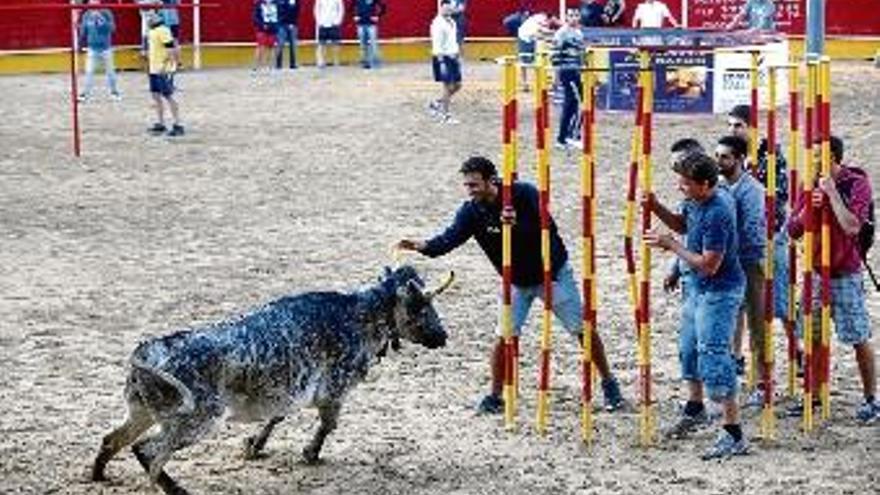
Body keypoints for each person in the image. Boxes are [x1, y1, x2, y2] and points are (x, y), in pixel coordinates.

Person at [396, 156, 625, 415]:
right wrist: (420, 246)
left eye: (474, 185)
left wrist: (517, 225)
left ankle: (609, 383)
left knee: (581, 329)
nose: (470, 191)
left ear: (491, 180)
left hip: (552, 274)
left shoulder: (524, 193)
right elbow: (448, 240)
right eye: (467, 186)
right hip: (515, 281)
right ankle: (495, 396)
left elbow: (547, 228)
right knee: (503, 337)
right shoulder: (471, 211)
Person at [644, 152, 748, 459]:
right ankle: (695, 406)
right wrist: (656, 207)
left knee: (714, 354)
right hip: (696, 287)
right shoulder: (696, 200)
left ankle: (733, 431)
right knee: (688, 350)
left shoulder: (719, 211)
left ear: (704, 184)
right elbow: (683, 224)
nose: (680, 187)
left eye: (685, 183)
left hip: (719, 290)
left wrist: (671, 245)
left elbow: (709, 265)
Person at [787, 136, 878, 423]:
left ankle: (871, 399)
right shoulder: (808, 184)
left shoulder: (856, 183)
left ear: (833, 158)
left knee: (858, 337)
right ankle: (812, 395)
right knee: (812, 337)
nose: (812, 162)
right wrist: (809, 208)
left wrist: (831, 194)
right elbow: (793, 229)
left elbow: (852, 226)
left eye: (817, 156)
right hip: (814, 272)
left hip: (845, 273)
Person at [727, 104, 791, 379]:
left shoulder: (772, 154)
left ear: (753, 127)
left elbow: (779, 198)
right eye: (730, 125)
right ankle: (737, 356)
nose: (733, 130)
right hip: (738, 239)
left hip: (770, 235)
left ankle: (796, 349)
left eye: (738, 125)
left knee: (778, 301)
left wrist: (752, 186)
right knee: (738, 302)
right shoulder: (728, 153)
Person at [715, 135, 769, 407]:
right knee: (727, 323)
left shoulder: (753, 191)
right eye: (717, 155)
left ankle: (762, 385)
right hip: (726, 263)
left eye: (724, 156)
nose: (719, 161)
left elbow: (752, 234)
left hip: (748, 264)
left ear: (738, 159)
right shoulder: (720, 186)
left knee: (758, 325)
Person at [145, 12, 183, 137]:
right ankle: (161, 124)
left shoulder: (163, 30)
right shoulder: (152, 31)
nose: (148, 18)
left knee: (169, 96)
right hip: (154, 69)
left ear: (158, 17)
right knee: (155, 96)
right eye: (147, 16)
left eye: (151, 16)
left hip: (163, 70)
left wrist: (164, 65)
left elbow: (171, 49)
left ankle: (178, 125)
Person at [552, 9, 585, 150]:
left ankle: (565, 137)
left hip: (576, 72)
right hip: (566, 71)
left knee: (572, 104)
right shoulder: (561, 33)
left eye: (576, 15)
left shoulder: (579, 34)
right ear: (566, 17)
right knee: (578, 103)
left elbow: (581, 56)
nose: (574, 18)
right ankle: (569, 137)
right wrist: (556, 76)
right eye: (571, 15)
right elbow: (555, 56)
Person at [78, 0, 120, 102]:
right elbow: (83, 29)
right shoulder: (87, 14)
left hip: (106, 48)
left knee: (110, 72)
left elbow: (112, 29)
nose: (92, 6)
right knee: (89, 72)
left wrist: (101, 19)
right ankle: (84, 94)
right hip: (92, 48)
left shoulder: (106, 13)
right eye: (91, 4)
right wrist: (80, 43)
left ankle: (114, 92)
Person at [428, 0, 462, 124]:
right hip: (442, 57)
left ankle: (436, 103)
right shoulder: (437, 24)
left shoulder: (452, 22)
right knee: (447, 87)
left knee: (457, 85)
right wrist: (441, 62)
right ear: (441, 8)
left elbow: (453, 41)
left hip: (453, 57)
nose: (448, 10)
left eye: (449, 8)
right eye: (445, 8)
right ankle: (446, 115)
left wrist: (457, 54)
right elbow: (437, 45)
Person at [516, 12, 553, 91]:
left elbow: (543, 32)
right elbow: (542, 32)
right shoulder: (539, 21)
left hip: (530, 38)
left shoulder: (539, 19)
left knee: (539, 59)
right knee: (524, 62)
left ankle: (542, 80)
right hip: (525, 38)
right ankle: (525, 83)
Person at [354, 0, 386, 69]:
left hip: (371, 24)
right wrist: (355, 15)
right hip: (361, 24)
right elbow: (350, 7)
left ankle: (375, 62)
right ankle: (365, 62)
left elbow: (383, 6)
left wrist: (378, 16)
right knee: (362, 44)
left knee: (373, 44)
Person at [314, 0, 344, 67]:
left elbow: (341, 9)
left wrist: (338, 21)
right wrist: (319, 21)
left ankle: (336, 61)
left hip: (334, 24)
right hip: (323, 23)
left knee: (336, 44)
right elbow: (316, 9)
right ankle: (323, 61)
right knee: (322, 44)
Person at [252, 0, 279, 72]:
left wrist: (276, 25)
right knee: (261, 46)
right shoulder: (259, 4)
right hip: (262, 29)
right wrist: (262, 25)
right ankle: (256, 66)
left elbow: (279, 15)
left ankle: (270, 66)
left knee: (271, 47)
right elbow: (255, 17)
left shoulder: (276, 3)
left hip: (273, 28)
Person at [275, 0, 300, 70]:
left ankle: (293, 63)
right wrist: (287, 23)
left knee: (293, 45)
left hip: (293, 24)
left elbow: (297, 12)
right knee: (280, 43)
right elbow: (280, 12)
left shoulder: (296, 1)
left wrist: (293, 23)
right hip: (282, 24)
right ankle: (278, 64)